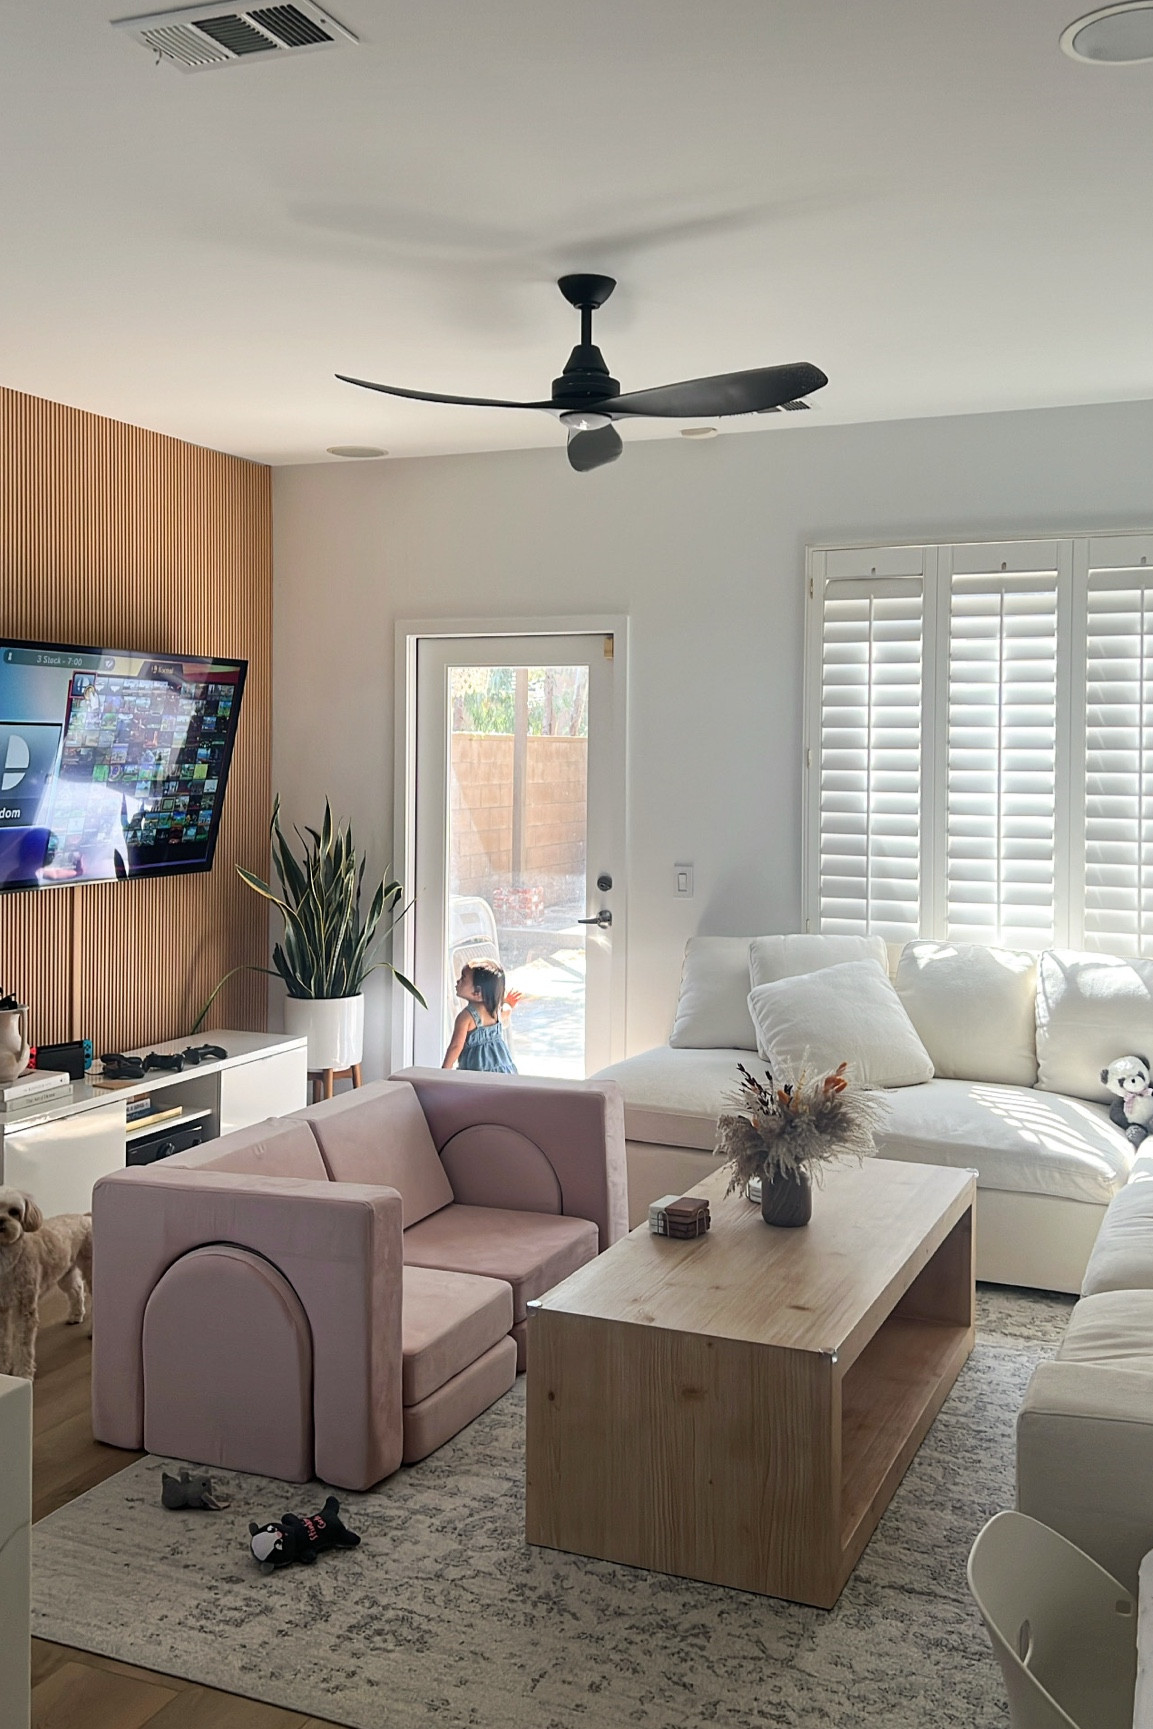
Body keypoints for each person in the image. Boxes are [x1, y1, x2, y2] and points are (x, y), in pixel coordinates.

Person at [442, 961, 519, 1072]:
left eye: (463, 978)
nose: (458, 981)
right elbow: (506, 1011)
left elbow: (455, 1046)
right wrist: (508, 1003)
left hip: (478, 1072)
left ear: (477, 992)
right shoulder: (495, 1011)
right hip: (501, 1070)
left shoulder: (466, 1017)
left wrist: (444, 1071)